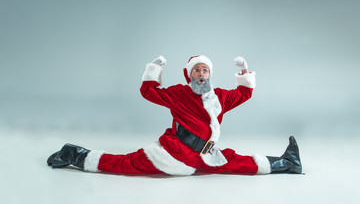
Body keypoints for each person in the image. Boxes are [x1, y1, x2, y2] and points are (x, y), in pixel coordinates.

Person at [47, 55, 302, 175]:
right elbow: (148, 91)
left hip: (204, 155)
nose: (201, 74)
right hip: (173, 154)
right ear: (188, 74)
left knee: (235, 161)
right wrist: (154, 69)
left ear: (209, 74)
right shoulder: (179, 93)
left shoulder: (220, 97)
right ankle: (73, 154)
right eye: (196, 70)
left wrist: (245, 72)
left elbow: (244, 94)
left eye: (205, 70)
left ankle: (287, 163)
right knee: (125, 164)